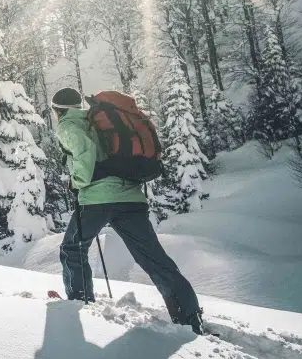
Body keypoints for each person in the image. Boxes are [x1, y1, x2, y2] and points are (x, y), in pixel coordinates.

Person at [51, 87, 204, 334]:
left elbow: (84, 151)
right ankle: (189, 315)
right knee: (153, 258)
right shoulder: (95, 120)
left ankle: (79, 302)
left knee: (73, 248)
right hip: (131, 197)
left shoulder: (68, 126)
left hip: (98, 198)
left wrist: (76, 181)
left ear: (57, 110)